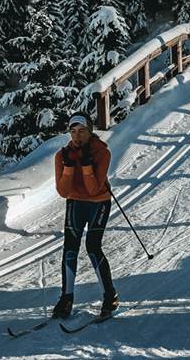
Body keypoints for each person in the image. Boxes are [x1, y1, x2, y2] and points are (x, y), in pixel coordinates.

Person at [52, 112, 118, 319]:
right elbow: (62, 192)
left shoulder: (102, 153)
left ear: (90, 132)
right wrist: (70, 168)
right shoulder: (61, 156)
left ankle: (110, 296)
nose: (77, 136)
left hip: (98, 202)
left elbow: (92, 189)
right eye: (73, 132)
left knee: (92, 246)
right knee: (70, 246)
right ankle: (66, 298)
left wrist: (87, 165)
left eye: (81, 131)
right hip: (75, 202)